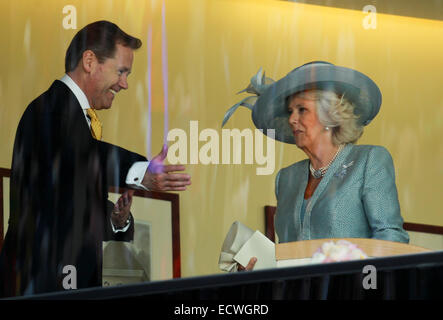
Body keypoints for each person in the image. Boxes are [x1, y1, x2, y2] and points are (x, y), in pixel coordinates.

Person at [0, 20, 191, 296]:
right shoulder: (51, 109)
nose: (125, 84)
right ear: (89, 61)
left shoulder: (75, 119)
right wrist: (142, 171)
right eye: (122, 71)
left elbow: (67, 201)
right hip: (40, 282)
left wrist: (116, 221)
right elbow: (82, 154)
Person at [223, 61, 409, 270]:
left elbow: (391, 237)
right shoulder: (286, 178)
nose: (292, 119)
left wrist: (366, 285)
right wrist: (256, 270)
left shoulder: (368, 160)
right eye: (290, 111)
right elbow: (288, 254)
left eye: (302, 110)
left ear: (330, 115)